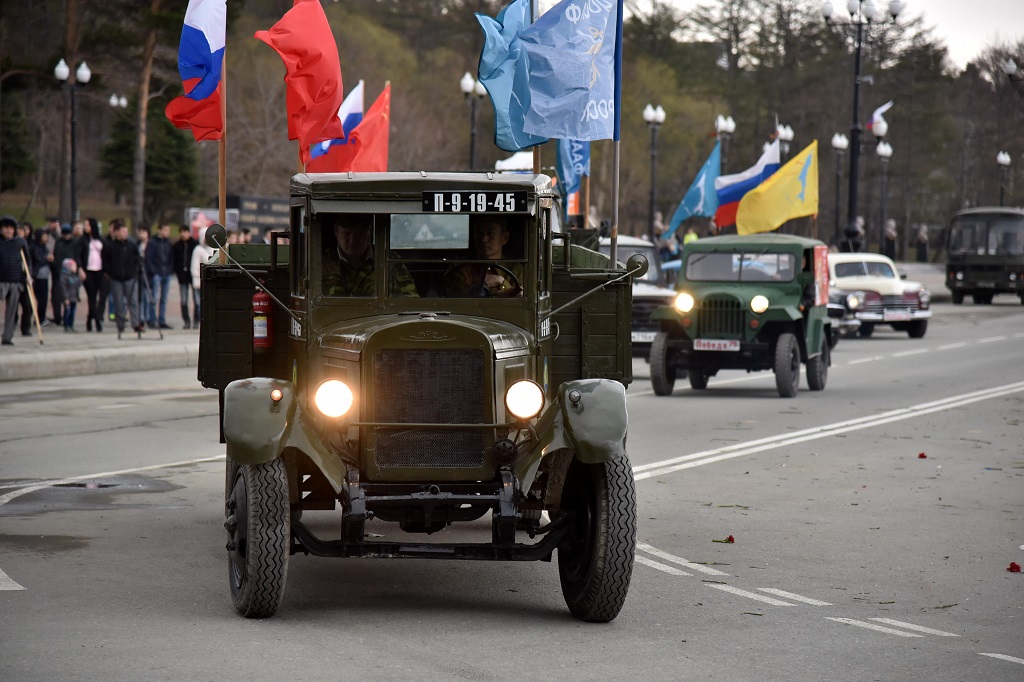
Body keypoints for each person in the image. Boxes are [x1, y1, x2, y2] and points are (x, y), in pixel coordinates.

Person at [322, 214, 418, 297]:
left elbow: (410, 302)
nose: (352, 240)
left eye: (359, 233)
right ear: (336, 231)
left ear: (369, 231)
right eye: (347, 233)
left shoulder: (388, 260)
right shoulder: (321, 262)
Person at [443, 216, 523, 297]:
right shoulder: (460, 268)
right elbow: (456, 298)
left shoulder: (516, 270)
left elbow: (521, 299)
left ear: (505, 238)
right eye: (479, 234)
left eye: (490, 233)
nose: (484, 239)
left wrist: (501, 281)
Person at [103, 218, 144, 335]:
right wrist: (110, 272)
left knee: (133, 301)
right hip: (116, 278)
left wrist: (134, 270)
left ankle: (136, 324)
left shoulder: (131, 245)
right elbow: (105, 261)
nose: (124, 234)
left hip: (130, 277)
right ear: (116, 232)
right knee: (118, 302)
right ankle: (120, 325)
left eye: (126, 232)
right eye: (122, 231)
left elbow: (137, 259)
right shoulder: (110, 246)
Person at [1, 215, 30, 346]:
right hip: (1, 279)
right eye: (5, 228)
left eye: (10, 228)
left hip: (15, 280)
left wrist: (29, 275)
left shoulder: (20, 242)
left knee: (12, 310)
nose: (8, 230)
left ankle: (7, 337)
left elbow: (28, 261)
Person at [52, 223, 82, 329]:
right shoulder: (59, 242)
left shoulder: (74, 243)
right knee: (58, 296)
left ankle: (69, 322)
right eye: (64, 234)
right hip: (59, 271)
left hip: (71, 272)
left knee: (70, 297)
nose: (66, 236)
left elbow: (77, 256)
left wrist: (77, 268)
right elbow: (56, 255)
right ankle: (59, 318)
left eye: (68, 234)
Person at [145, 223, 174, 329]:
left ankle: (162, 320)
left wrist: (170, 270)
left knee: (164, 298)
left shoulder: (168, 243)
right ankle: (152, 319)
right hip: (157, 273)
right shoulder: (153, 243)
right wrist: (154, 271)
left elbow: (171, 258)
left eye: (168, 230)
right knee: (154, 297)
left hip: (166, 272)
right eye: (165, 230)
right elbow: (149, 258)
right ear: (160, 230)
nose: (167, 233)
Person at [190, 226, 218, 326]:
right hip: (199, 280)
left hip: (209, 280)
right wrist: (196, 279)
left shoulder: (214, 248)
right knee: (198, 303)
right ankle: (197, 321)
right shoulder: (197, 250)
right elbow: (194, 266)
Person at [172, 224, 198, 329]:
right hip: (182, 276)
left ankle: (196, 319)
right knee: (183, 299)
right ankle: (186, 320)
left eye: (185, 232)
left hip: (193, 276)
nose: (183, 234)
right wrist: (177, 272)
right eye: (181, 232)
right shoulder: (177, 246)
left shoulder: (195, 244)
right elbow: (175, 261)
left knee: (197, 299)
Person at [82, 218, 105, 332]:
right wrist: (80, 269)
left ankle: (89, 319)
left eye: (88, 225)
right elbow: (78, 255)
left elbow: (106, 253)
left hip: (99, 270)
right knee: (91, 296)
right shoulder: (83, 240)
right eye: (85, 225)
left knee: (95, 295)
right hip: (88, 270)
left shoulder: (100, 239)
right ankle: (97, 321)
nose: (85, 227)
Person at [60, 257, 81, 332]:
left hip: (74, 298)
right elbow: (63, 289)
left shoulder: (74, 276)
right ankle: (66, 325)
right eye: (73, 266)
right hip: (68, 298)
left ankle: (71, 325)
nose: (75, 267)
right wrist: (66, 298)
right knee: (67, 312)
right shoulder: (64, 277)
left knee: (72, 312)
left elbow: (77, 286)